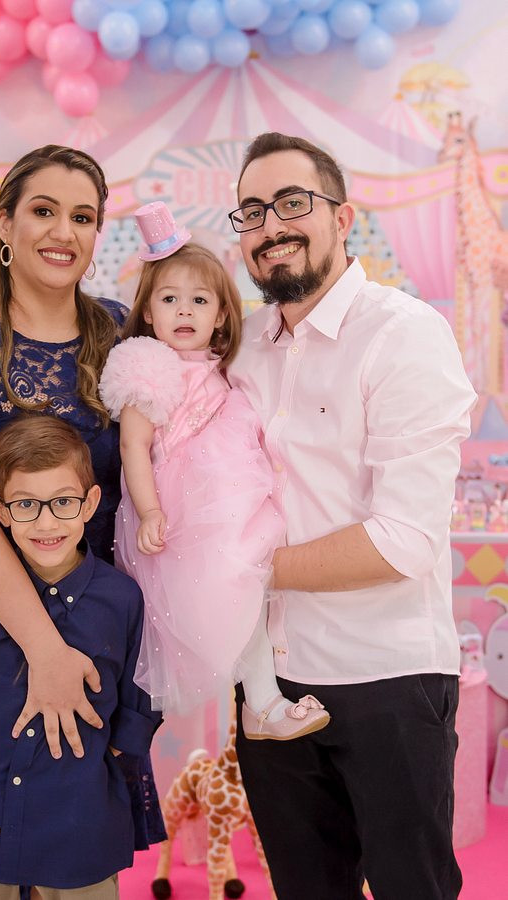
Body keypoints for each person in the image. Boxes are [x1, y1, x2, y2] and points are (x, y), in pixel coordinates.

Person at [228, 132, 477, 899]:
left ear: (342, 217)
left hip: (386, 678)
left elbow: (402, 541)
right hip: (269, 685)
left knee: (412, 888)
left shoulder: (403, 333)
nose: (270, 226)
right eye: (250, 212)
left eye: (291, 203)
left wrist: (237, 569)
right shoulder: (241, 346)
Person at [0, 145, 164, 849]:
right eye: (43, 211)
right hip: (10, 625)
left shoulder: (118, 328)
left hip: (107, 621)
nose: (63, 232)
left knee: (86, 843)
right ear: (5, 222)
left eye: (82, 217)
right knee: (4, 829)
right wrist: (46, 651)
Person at [99, 201, 329, 739]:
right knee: (232, 593)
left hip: (226, 501)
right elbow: (134, 446)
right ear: (148, 312)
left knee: (248, 593)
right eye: (169, 299)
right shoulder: (146, 367)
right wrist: (150, 511)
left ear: (221, 315)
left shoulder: (226, 366)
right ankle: (263, 703)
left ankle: (261, 701)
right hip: (180, 512)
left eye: (199, 301)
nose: (184, 312)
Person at [0, 416, 161, 900]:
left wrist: (84, 772)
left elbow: (140, 704)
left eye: (62, 502)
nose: (46, 522)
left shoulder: (123, 600)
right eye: (25, 504)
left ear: (90, 503)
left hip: (80, 831)